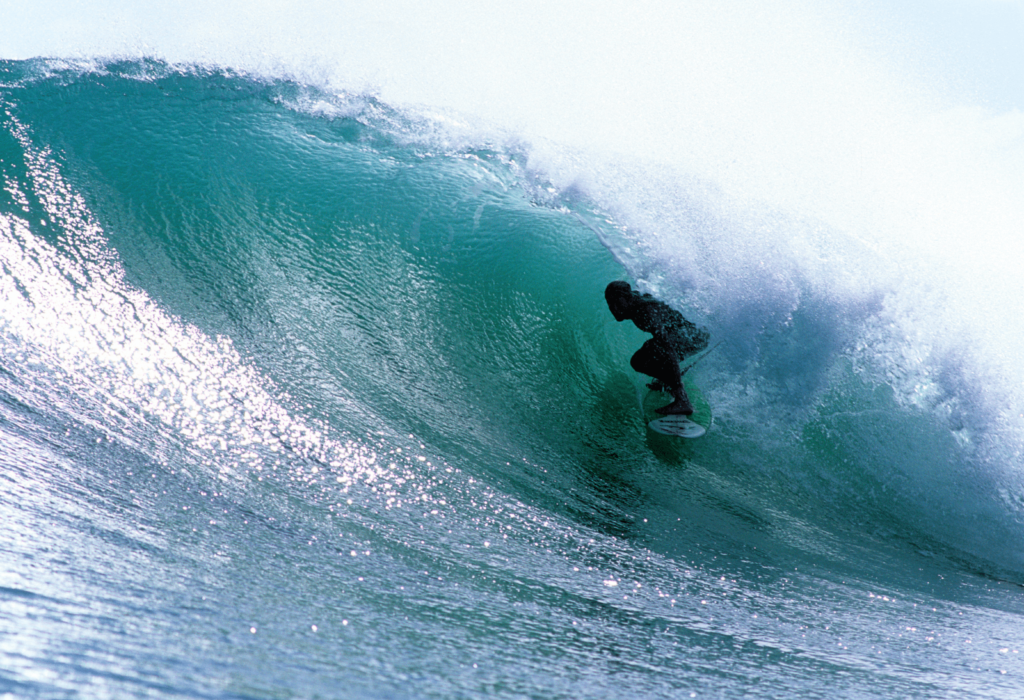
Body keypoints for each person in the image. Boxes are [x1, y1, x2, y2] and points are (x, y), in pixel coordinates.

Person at [605, 281, 709, 415]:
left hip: (693, 336)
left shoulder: (644, 312)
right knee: (638, 361)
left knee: (655, 348)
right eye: (610, 303)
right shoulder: (633, 302)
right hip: (686, 334)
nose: (614, 308)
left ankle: (682, 400)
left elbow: (668, 348)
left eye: (618, 302)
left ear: (628, 298)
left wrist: (676, 383)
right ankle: (668, 382)